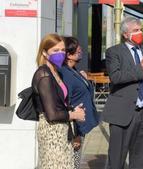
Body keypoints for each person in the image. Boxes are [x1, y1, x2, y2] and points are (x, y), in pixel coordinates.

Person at [102, 17, 143, 169]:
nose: (140, 33)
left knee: (139, 158)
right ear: (126, 34)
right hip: (122, 113)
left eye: (140, 30)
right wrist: (141, 67)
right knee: (117, 158)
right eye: (136, 30)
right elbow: (116, 77)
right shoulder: (113, 52)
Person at [32, 33, 85, 168]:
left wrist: (73, 110)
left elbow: (60, 102)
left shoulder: (56, 72)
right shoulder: (43, 74)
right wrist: (74, 115)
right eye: (55, 50)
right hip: (52, 133)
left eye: (62, 50)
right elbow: (52, 114)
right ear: (44, 52)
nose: (60, 54)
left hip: (63, 130)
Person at [58, 36, 99, 169]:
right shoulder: (65, 73)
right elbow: (67, 104)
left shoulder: (73, 70)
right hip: (74, 128)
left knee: (75, 160)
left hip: (80, 126)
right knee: (72, 163)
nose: (80, 51)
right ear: (69, 55)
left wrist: (84, 79)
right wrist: (75, 135)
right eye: (78, 50)